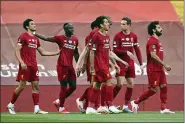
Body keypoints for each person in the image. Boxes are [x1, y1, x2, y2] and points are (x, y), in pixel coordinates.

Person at [7, 19, 60, 114]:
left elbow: (42, 52)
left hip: (34, 66)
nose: (34, 25)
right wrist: (21, 62)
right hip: (25, 66)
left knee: (35, 86)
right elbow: (17, 50)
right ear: (27, 26)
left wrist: (56, 53)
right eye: (32, 24)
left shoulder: (36, 39)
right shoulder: (23, 36)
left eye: (34, 23)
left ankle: (36, 109)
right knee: (22, 86)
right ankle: (11, 104)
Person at [131, 21, 175, 114]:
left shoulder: (158, 41)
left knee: (164, 86)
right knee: (153, 90)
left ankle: (163, 108)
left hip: (159, 69)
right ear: (154, 30)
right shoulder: (152, 41)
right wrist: (165, 64)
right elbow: (153, 55)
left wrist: (162, 66)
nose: (161, 29)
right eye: (159, 28)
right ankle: (135, 102)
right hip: (153, 69)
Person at [34, 23, 79, 114]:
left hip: (70, 67)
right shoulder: (60, 38)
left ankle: (58, 101)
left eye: (72, 27)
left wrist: (79, 65)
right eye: (70, 28)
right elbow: (46, 38)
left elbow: (76, 53)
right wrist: (35, 33)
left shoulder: (75, 39)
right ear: (65, 29)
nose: (72, 29)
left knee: (73, 87)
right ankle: (61, 107)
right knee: (64, 87)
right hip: (62, 66)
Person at [86, 16, 124, 114]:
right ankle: (110, 105)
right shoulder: (96, 36)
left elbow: (109, 52)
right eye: (106, 23)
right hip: (99, 65)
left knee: (97, 85)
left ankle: (89, 107)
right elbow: (91, 52)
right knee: (109, 82)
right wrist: (92, 67)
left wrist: (116, 64)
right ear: (101, 25)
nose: (108, 24)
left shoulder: (107, 36)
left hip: (105, 64)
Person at [113, 17, 144, 113]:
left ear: (129, 25)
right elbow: (115, 50)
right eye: (121, 24)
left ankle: (125, 106)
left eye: (123, 24)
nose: (121, 25)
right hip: (121, 63)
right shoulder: (117, 36)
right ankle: (108, 104)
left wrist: (141, 63)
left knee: (131, 83)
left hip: (130, 64)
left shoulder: (133, 36)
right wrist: (126, 52)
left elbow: (137, 50)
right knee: (119, 84)